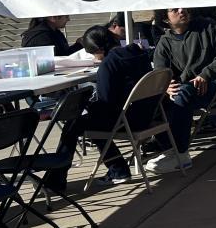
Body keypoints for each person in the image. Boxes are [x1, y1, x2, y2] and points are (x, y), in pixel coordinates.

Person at [56, 25, 160, 186]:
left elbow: (106, 103)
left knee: (74, 125)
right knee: (90, 121)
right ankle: (117, 169)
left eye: (92, 53)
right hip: (149, 113)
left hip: (128, 121)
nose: (94, 57)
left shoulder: (109, 64)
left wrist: (85, 106)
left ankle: (56, 178)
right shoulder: (138, 53)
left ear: (99, 49)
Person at [145, 7, 216, 173]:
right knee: (155, 98)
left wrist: (206, 74)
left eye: (182, 7)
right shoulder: (165, 41)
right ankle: (167, 147)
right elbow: (160, 71)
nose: (181, 10)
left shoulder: (208, 28)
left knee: (182, 93)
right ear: (165, 19)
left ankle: (180, 155)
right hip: (187, 89)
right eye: (174, 10)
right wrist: (167, 85)